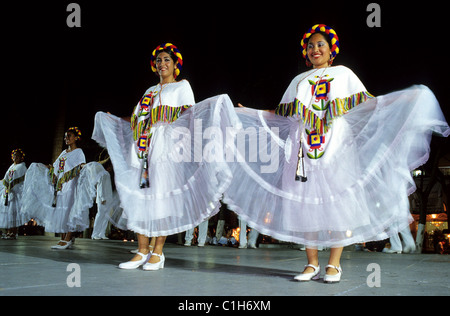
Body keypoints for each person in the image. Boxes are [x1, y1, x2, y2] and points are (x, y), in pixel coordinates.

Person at [223, 24, 450, 283]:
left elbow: (368, 102)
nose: (314, 49)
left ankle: (334, 264)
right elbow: (281, 113)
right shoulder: (298, 81)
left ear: (331, 51)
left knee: (337, 201)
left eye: (320, 44)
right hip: (303, 147)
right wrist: (250, 112)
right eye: (310, 46)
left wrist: (401, 100)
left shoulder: (344, 74)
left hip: (336, 144)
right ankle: (311, 264)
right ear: (305, 53)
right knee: (303, 204)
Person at [92, 43, 238, 270]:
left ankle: (157, 252)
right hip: (142, 149)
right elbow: (138, 120)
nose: (162, 64)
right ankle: (142, 251)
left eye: (166, 60)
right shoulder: (149, 91)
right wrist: (116, 119)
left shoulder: (182, 87)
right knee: (140, 198)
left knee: (161, 199)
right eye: (159, 60)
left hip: (166, 149)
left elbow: (190, 118)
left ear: (175, 64)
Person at [21, 127, 87, 249]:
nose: (66, 138)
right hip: (61, 187)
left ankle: (68, 239)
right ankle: (62, 238)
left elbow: (80, 167)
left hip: (71, 186)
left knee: (69, 212)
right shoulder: (63, 153)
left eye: (69, 136)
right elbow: (55, 167)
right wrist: (44, 167)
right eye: (65, 136)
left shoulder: (79, 152)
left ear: (76, 138)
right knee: (61, 212)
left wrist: (81, 168)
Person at [0, 149, 27, 239]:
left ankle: (14, 232)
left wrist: (11, 185)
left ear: (21, 157)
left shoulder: (22, 167)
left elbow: (20, 179)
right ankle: (8, 232)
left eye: (17, 156)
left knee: (14, 214)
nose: (15, 157)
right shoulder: (12, 166)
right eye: (14, 155)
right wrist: (6, 185)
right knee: (9, 213)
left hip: (17, 192)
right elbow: (6, 177)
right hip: (9, 192)